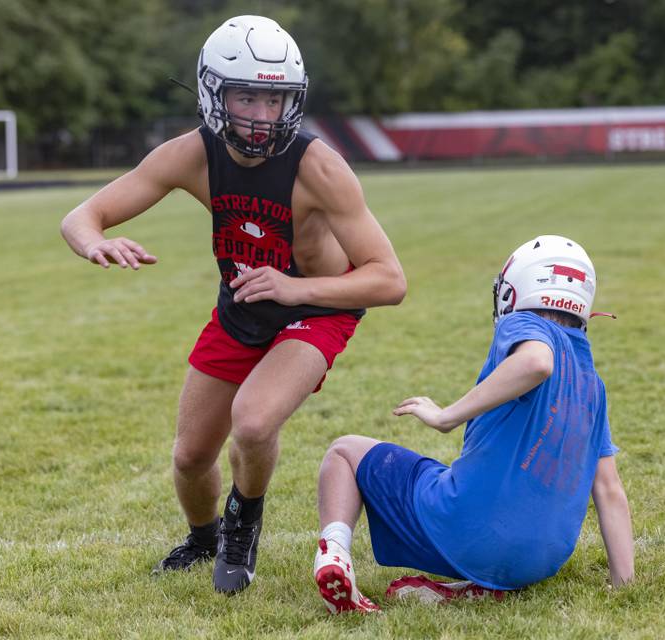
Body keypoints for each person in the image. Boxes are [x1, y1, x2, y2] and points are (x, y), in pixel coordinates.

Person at [60, 15, 406, 595]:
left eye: (276, 100)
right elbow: (80, 216)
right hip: (243, 306)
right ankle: (203, 538)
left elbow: (388, 279)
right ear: (212, 94)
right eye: (246, 96)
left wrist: (296, 288)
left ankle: (242, 526)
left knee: (252, 420)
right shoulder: (190, 155)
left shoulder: (319, 167)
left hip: (316, 308)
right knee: (191, 457)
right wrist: (97, 241)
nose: (261, 115)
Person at [313, 235, 633, 613]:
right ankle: (476, 587)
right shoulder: (592, 383)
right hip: (540, 561)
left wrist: (446, 415)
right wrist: (623, 584)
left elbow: (537, 363)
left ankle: (333, 555)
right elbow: (610, 489)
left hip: (468, 534)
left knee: (345, 452)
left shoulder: (526, 327)